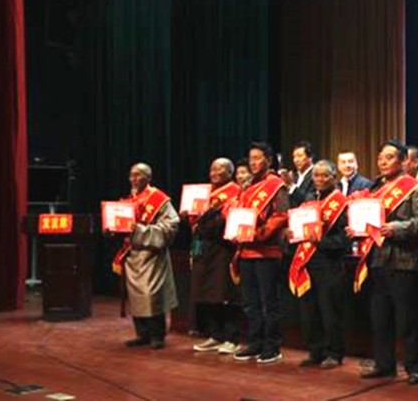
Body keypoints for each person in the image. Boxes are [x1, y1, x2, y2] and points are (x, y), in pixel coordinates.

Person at [353, 139, 418, 385]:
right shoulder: (376, 188)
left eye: (389, 158)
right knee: (380, 318)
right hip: (378, 260)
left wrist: (396, 228)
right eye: (380, 158)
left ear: (403, 161)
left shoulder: (415, 189)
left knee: (407, 319)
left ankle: (415, 367)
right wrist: (356, 229)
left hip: (404, 261)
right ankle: (384, 364)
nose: (383, 162)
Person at [230, 142, 290, 364]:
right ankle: (254, 343)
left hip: (267, 252)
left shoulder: (276, 185)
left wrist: (260, 233)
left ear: (269, 160)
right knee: (250, 303)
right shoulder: (248, 186)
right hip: (246, 251)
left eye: (257, 158)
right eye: (251, 159)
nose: (253, 163)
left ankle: (272, 346)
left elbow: (281, 215)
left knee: (269, 303)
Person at [287, 160, 350, 369]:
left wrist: (320, 241)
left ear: (334, 177)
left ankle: (334, 353)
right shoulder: (309, 200)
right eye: (316, 175)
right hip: (308, 262)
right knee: (309, 311)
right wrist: (291, 234)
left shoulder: (341, 203)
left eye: (325, 175)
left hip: (330, 263)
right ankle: (316, 351)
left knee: (330, 312)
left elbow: (344, 241)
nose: (320, 179)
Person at [113, 163, 180, 350]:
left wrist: (141, 231)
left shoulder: (159, 199)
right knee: (136, 297)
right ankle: (142, 334)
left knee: (152, 295)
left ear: (148, 178)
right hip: (132, 255)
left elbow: (171, 225)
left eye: (138, 175)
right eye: (131, 175)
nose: (134, 179)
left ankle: (157, 335)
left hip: (151, 254)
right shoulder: (129, 200)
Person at [187, 158, 243, 355]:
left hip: (223, 249)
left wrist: (204, 223)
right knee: (207, 293)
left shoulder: (235, 191)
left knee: (225, 294)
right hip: (204, 248)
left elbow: (226, 221)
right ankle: (215, 335)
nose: (215, 172)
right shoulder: (204, 192)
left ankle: (232, 338)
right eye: (212, 169)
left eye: (220, 169)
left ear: (230, 172)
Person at [284, 141, 315, 207]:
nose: (296, 160)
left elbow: (309, 200)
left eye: (300, 156)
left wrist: (291, 186)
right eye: (294, 157)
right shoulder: (293, 175)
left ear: (310, 157)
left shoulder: (316, 175)